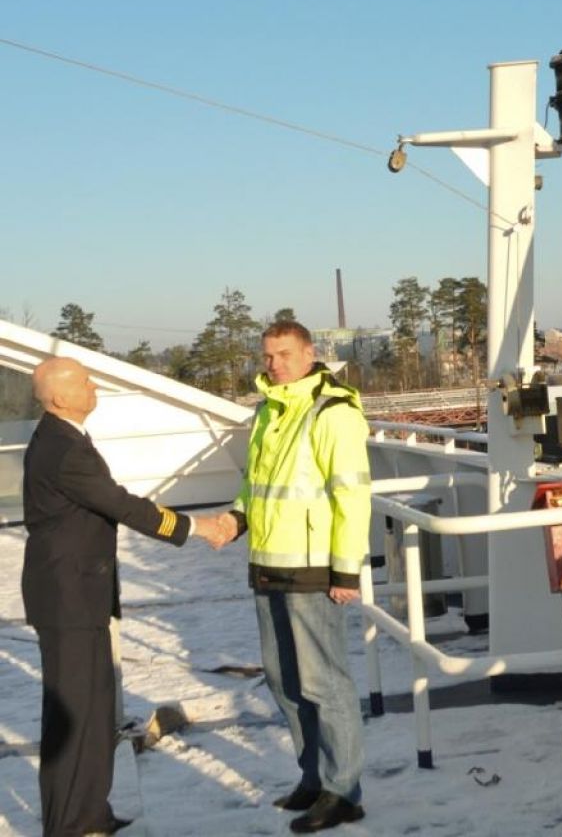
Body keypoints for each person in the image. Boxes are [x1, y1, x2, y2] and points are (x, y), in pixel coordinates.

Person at [21, 356, 226, 837]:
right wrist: (200, 527)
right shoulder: (64, 448)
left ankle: (91, 812)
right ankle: (70, 824)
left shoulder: (64, 437)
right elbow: (121, 505)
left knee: (94, 711)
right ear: (59, 396)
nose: (95, 387)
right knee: (73, 717)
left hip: (80, 595)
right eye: (85, 381)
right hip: (68, 600)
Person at [218, 320, 371, 834]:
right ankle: (314, 777)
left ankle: (343, 791)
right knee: (284, 681)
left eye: (283, 355)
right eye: (267, 356)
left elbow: (352, 494)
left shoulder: (333, 411)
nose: (273, 365)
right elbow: (255, 484)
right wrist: (235, 520)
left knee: (323, 683)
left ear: (310, 353)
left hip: (312, 567)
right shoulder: (269, 411)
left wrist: (346, 569)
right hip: (267, 562)